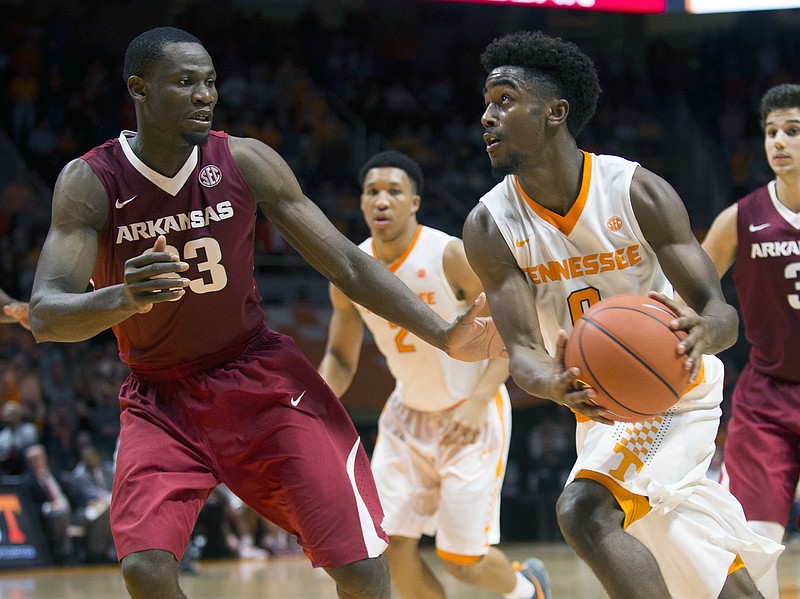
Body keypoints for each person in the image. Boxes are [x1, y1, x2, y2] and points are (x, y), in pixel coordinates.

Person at [27, 27, 502, 599]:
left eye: (210, 83)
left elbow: (348, 266)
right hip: (161, 398)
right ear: (139, 89)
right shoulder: (91, 182)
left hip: (258, 379)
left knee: (358, 566)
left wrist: (445, 334)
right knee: (145, 570)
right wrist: (122, 297)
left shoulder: (245, 161)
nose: (204, 95)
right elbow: (48, 315)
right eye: (185, 83)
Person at [462, 30, 783, 599]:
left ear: (555, 112)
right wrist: (554, 385)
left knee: (585, 512)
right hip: (602, 403)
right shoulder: (489, 226)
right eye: (486, 103)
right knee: (678, 548)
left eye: (504, 100)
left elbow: (721, 315)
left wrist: (702, 331)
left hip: (675, 387)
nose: (487, 116)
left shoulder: (635, 191)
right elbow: (525, 356)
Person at [318, 150, 550, 599]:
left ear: (414, 202)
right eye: (372, 192)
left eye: (393, 192)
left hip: (471, 414)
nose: (381, 201)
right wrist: (307, 410)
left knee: (463, 562)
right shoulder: (349, 271)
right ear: (361, 203)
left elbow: (512, 330)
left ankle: (528, 589)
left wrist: (480, 400)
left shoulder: (449, 255)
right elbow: (341, 360)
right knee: (389, 546)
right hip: (407, 419)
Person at [701, 83, 800, 599]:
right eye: (770, 132)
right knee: (752, 542)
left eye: (793, 131)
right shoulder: (739, 220)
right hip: (768, 396)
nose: (778, 141)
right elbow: (686, 294)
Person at [22, 444, 74, 565]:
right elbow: (28, 507)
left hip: (70, 509)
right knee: (61, 515)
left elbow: (71, 493)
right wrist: (47, 507)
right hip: (48, 516)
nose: (35, 462)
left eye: (37, 458)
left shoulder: (56, 473)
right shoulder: (27, 482)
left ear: (44, 458)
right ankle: (65, 555)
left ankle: (99, 554)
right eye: (32, 460)